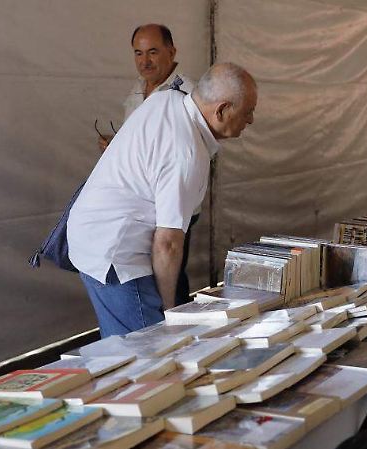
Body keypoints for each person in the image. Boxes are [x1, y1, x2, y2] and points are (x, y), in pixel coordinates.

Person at [69, 63, 257, 337]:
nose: (251, 120)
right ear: (222, 110)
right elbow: (167, 243)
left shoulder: (169, 98)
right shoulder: (187, 152)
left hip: (91, 236)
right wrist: (169, 313)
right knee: (150, 352)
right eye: (248, 111)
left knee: (122, 349)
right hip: (115, 253)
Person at [99, 23, 198, 307]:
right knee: (147, 272)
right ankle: (157, 326)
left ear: (172, 51)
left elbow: (193, 150)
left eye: (153, 52)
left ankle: (178, 329)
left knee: (170, 269)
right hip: (140, 202)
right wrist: (116, 144)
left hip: (173, 198)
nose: (145, 61)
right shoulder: (136, 92)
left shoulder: (188, 93)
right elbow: (139, 139)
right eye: (138, 53)